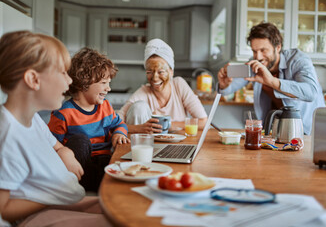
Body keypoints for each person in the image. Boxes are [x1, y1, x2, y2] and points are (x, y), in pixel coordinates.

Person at [0, 31, 111, 226]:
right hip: (39, 216)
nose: (69, 81)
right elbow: (4, 210)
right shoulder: (7, 135)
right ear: (33, 80)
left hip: (60, 201)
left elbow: (56, 146)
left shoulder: (32, 119)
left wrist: (66, 152)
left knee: (125, 208)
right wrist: (50, 195)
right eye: (62, 73)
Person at [217, 22, 325, 135]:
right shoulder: (256, 64)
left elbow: (311, 92)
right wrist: (224, 85)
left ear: (278, 47)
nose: (258, 57)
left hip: (307, 132)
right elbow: (228, 89)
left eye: (263, 50)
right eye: (254, 51)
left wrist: (272, 81)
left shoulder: (298, 60)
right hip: (275, 132)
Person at [48, 47, 129, 192]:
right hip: (78, 168)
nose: (108, 88)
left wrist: (119, 133)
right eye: (104, 83)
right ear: (85, 82)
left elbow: (120, 124)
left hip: (104, 162)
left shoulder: (105, 107)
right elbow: (51, 147)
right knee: (81, 141)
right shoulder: (63, 113)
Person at [118, 38, 208, 134]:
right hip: (150, 145)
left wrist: (169, 124)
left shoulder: (179, 85)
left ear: (171, 72)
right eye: (149, 72)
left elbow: (203, 121)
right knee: (139, 107)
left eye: (161, 72)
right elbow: (115, 123)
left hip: (178, 146)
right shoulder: (143, 92)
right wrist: (140, 128)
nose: (155, 78)